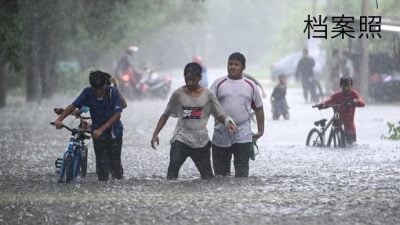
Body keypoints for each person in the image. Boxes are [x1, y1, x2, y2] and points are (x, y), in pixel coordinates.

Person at [151, 62, 237, 180]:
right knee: (172, 173)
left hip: (201, 140)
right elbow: (165, 114)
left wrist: (228, 122)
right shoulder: (178, 94)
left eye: (192, 79)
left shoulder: (208, 95)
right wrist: (156, 133)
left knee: (207, 177)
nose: (189, 82)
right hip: (181, 137)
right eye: (187, 79)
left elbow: (219, 114)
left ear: (200, 78)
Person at [53, 70, 124, 181]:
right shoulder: (87, 92)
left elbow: (117, 114)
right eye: (96, 89)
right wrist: (59, 119)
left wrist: (101, 129)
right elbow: (73, 106)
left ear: (105, 84)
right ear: (92, 86)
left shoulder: (112, 92)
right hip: (97, 134)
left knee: (115, 165)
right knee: (101, 168)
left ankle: (118, 182)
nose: (99, 92)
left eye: (101, 89)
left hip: (114, 132)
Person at [210, 52, 264, 177]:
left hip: (243, 132)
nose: (232, 67)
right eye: (230, 64)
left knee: (242, 174)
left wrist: (261, 131)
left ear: (243, 67)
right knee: (220, 175)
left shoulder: (251, 85)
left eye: (236, 64)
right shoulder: (218, 83)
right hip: (221, 131)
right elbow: (210, 106)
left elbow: (259, 109)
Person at [316, 77, 365, 144]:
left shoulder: (354, 94)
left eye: (349, 86)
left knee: (351, 145)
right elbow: (328, 101)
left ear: (351, 86)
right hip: (338, 121)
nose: (347, 88)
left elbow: (362, 102)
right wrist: (322, 104)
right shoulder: (337, 95)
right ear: (341, 86)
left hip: (349, 126)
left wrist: (355, 102)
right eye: (345, 86)